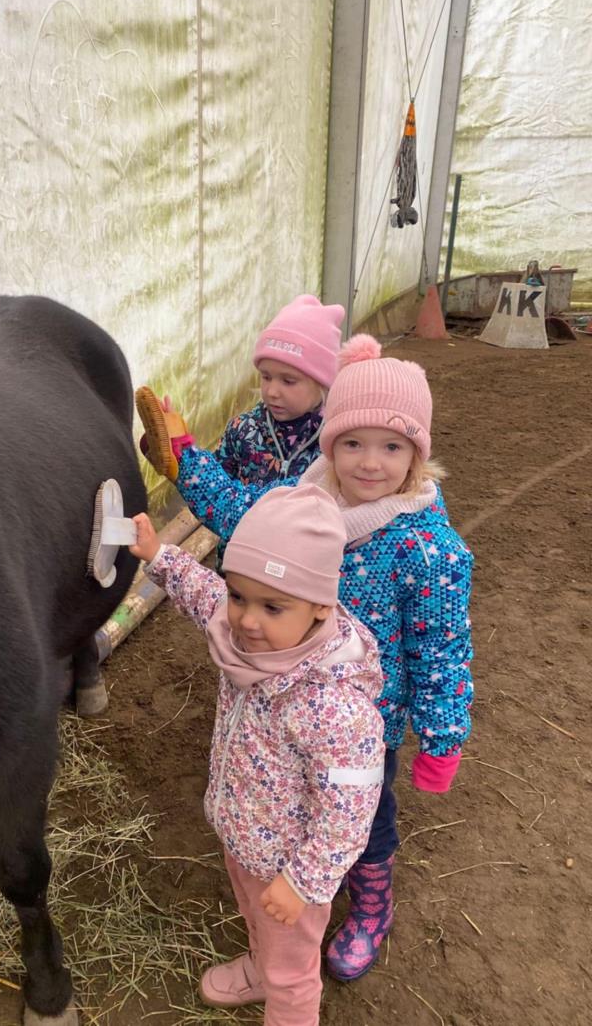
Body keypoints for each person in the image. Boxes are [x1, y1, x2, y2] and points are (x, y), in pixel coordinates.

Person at [128, 484, 386, 1026]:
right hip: (244, 834)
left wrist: (303, 883)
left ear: (320, 606)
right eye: (240, 595)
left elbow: (348, 816)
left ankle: (283, 996)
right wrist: (159, 555)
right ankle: (260, 966)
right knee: (254, 914)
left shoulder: (335, 708)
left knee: (294, 973)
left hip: (290, 867)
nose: (246, 620)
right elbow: (205, 595)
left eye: (272, 606)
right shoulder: (247, 639)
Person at [297, 333, 474, 981]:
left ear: (417, 453)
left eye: (392, 446)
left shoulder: (427, 548)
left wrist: (442, 737)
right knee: (306, 792)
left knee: (365, 809)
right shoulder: (311, 503)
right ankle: (310, 872)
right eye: (353, 443)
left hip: (371, 717)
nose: (370, 462)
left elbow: (441, 650)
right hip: (301, 693)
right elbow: (256, 536)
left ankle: (373, 903)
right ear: (329, 446)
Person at [137, 294, 344, 566]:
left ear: (322, 383)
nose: (272, 391)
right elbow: (216, 489)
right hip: (239, 568)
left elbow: (248, 512)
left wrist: (185, 458)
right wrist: (182, 469)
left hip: (300, 572)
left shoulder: (333, 446)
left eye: (288, 380)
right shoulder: (243, 429)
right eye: (266, 376)